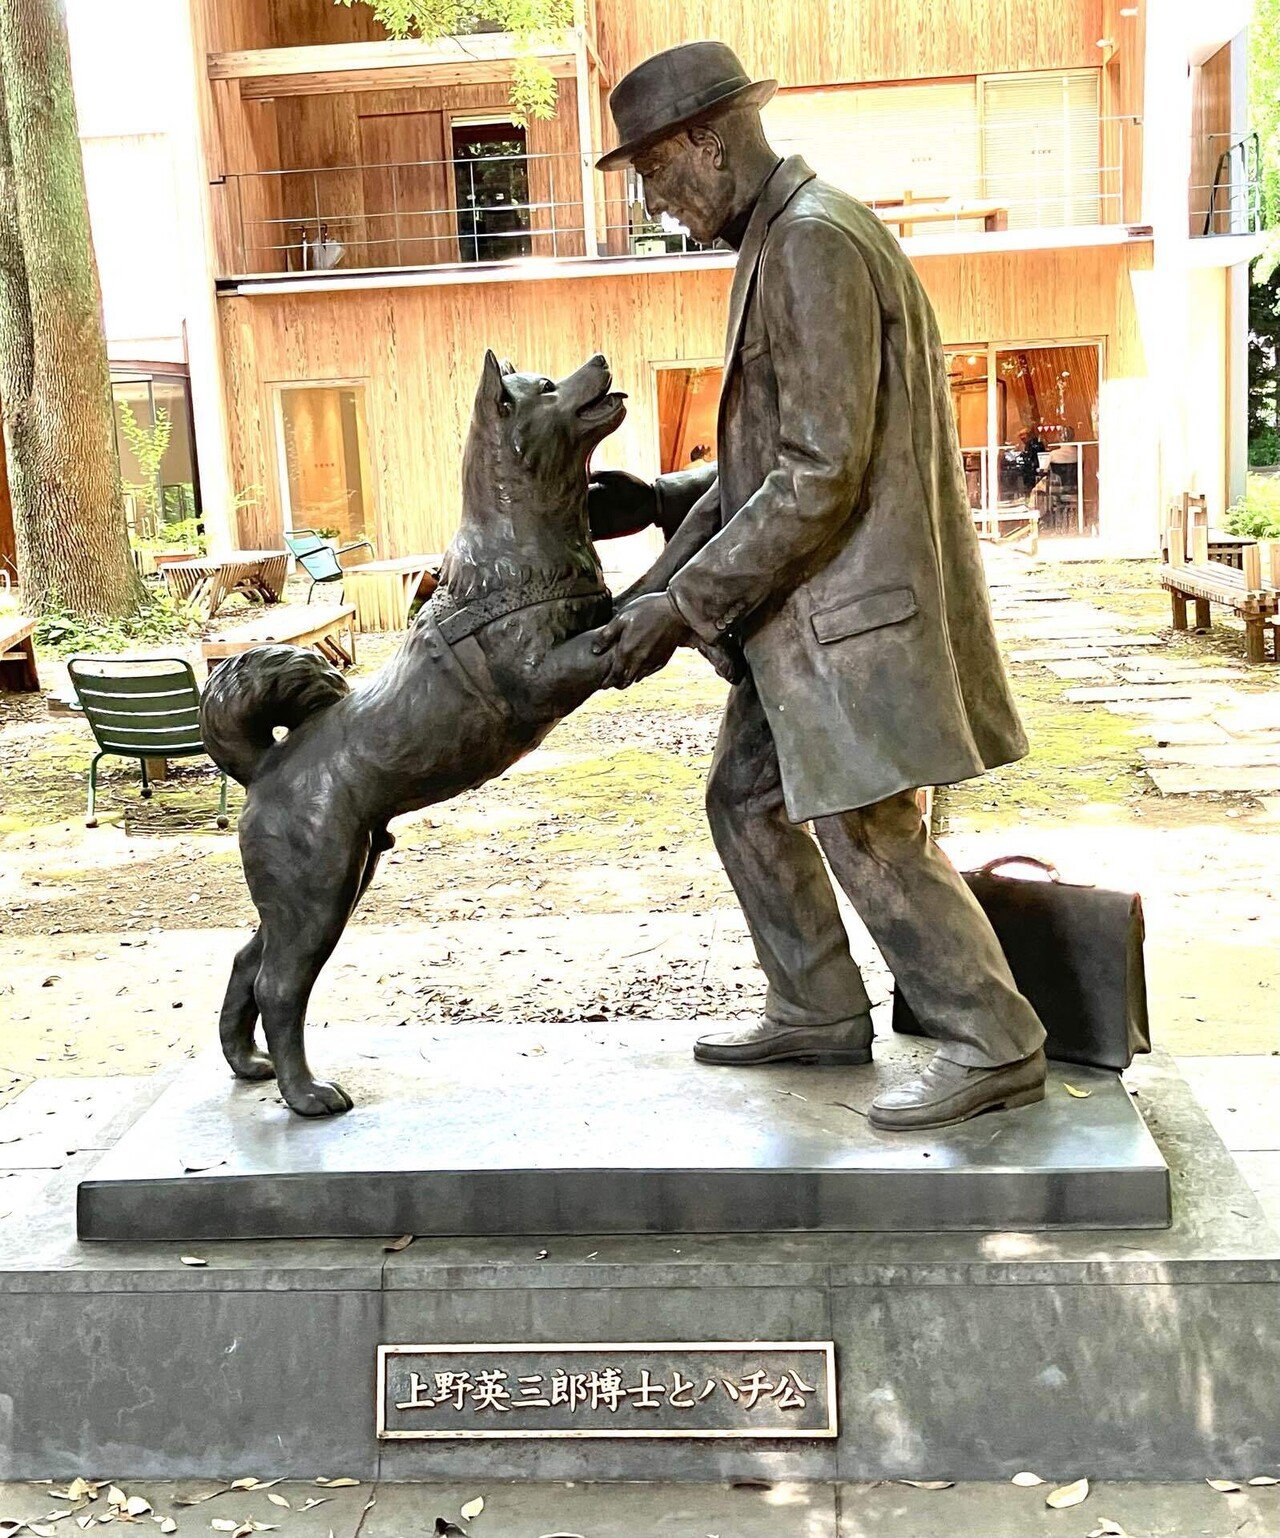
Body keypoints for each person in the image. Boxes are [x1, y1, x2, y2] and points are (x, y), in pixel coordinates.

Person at [587, 41, 1047, 1131]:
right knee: (743, 799)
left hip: (848, 619)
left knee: (865, 826)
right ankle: (816, 1004)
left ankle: (995, 1037)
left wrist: (677, 599)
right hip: (805, 622)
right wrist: (666, 497)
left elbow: (818, 474)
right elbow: (796, 446)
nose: (655, 201)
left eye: (654, 173)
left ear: (706, 138)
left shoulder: (808, 242)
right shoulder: (785, 234)